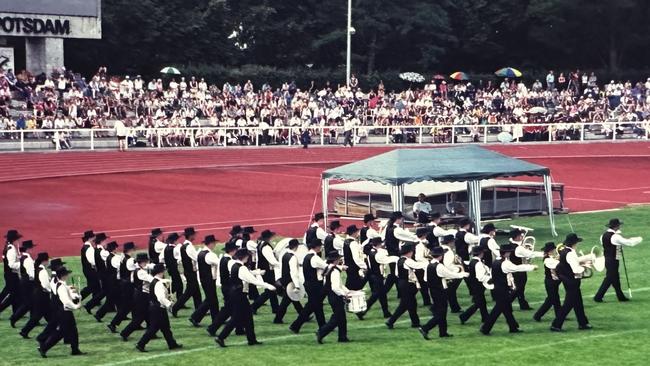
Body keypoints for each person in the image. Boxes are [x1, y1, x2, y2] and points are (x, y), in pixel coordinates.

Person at [215, 249, 276, 347]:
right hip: (240, 295)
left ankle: (251, 339)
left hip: (234, 294)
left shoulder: (234, 265)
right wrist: (268, 286)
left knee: (247, 317)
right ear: (244, 257)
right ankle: (221, 337)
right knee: (237, 318)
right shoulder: (242, 268)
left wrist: (257, 272)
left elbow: (247, 275)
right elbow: (253, 281)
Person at [480, 244, 537, 335]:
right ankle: (485, 328)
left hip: (497, 288)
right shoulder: (505, 263)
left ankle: (513, 326)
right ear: (506, 253)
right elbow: (517, 268)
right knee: (498, 310)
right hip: (502, 289)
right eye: (509, 252)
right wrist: (531, 267)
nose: (510, 253)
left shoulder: (496, 261)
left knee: (507, 309)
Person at [418, 246, 469, 339]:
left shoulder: (428, 265)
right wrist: (462, 274)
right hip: (440, 291)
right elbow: (451, 274)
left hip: (433, 291)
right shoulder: (439, 266)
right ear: (441, 256)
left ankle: (443, 332)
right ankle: (425, 328)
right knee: (441, 313)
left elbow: (425, 279)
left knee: (441, 312)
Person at [38, 266, 85, 358]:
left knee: (73, 330)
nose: (68, 275)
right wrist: (76, 306)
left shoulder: (59, 283)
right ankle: (44, 348)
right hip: (64, 312)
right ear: (63, 275)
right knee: (61, 332)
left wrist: (72, 292)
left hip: (63, 311)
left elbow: (66, 292)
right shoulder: (61, 287)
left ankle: (75, 349)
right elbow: (66, 301)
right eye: (67, 274)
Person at [135, 264, 183, 352]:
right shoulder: (159, 283)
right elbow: (161, 298)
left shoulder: (154, 281)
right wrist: (169, 304)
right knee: (154, 328)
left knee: (166, 328)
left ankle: (172, 343)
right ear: (161, 272)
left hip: (155, 307)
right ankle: (141, 343)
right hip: (158, 309)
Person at [551, 234, 593, 332]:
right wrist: (585, 267)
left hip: (568, 279)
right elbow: (575, 269)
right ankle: (556, 324)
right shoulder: (570, 253)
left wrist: (584, 262)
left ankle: (583, 323)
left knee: (578, 303)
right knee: (568, 305)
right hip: (571, 281)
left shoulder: (564, 251)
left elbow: (572, 263)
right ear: (574, 243)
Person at [594, 219, 642, 302]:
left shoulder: (603, 235)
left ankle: (620, 296)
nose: (619, 227)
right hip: (613, 260)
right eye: (618, 225)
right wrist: (639, 239)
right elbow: (629, 243)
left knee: (615, 278)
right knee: (609, 278)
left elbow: (608, 246)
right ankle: (598, 297)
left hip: (607, 259)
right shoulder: (615, 236)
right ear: (616, 226)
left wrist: (618, 247)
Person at [385, 243, 428, 329]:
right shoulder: (408, 261)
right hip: (408, 284)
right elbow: (418, 266)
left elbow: (397, 273)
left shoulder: (399, 260)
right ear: (409, 252)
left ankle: (415, 322)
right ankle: (391, 321)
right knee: (407, 304)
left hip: (401, 282)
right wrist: (428, 262)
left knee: (409, 303)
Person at [289, 239, 328, 333]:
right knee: (315, 306)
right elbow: (326, 267)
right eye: (320, 246)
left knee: (313, 306)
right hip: (315, 285)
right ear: (317, 247)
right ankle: (296, 325)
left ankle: (322, 326)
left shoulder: (307, 256)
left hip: (309, 284)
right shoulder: (315, 258)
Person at [357, 237, 398, 319]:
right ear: (379, 244)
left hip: (372, 275)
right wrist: (397, 258)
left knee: (382, 295)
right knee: (375, 295)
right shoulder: (377, 254)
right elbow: (386, 260)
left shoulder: (371, 252)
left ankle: (386, 312)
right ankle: (361, 311)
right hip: (376, 276)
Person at [316, 251, 351, 343]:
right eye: (338, 258)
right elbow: (335, 287)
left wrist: (347, 291)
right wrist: (344, 294)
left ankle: (342, 337)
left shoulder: (328, 268)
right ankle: (321, 332)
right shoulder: (334, 271)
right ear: (335, 260)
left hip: (331, 295)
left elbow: (333, 284)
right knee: (337, 318)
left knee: (341, 317)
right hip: (335, 296)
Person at [206, 241, 238, 336]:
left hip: (225, 287)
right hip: (230, 288)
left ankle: (238, 328)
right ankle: (213, 328)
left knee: (230, 309)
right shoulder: (230, 261)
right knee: (229, 309)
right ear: (233, 250)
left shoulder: (223, 259)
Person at [382, 212, 418, 295]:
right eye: (402, 219)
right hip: (395, 254)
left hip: (391, 253)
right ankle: (383, 292)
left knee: (395, 274)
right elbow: (409, 236)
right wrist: (417, 236)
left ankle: (399, 293)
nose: (402, 220)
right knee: (397, 275)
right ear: (398, 219)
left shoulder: (388, 227)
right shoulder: (397, 230)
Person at [119, 253, 154, 341]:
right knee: (139, 318)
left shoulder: (136, 271)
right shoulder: (141, 272)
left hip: (139, 294)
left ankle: (151, 333)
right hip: (142, 296)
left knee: (148, 315)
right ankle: (125, 332)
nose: (146, 263)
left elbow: (132, 280)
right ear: (142, 262)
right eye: (145, 261)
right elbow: (151, 280)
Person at [190, 235, 221, 327]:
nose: (215, 245)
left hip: (203, 279)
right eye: (214, 243)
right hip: (209, 280)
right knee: (210, 300)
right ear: (211, 243)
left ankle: (216, 319)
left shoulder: (200, 253)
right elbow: (219, 263)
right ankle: (195, 317)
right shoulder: (210, 255)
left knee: (212, 300)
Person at [509, 228, 544, 310]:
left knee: (520, 289)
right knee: (519, 288)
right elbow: (530, 254)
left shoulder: (510, 243)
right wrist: (543, 254)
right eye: (520, 235)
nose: (522, 237)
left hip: (513, 269)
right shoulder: (519, 248)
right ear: (517, 237)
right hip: (520, 269)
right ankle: (506, 303)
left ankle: (523, 305)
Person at [35, 258, 66, 345]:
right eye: (61, 266)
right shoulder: (55, 278)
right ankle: (42, 339)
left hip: (55, 302)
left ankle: (43, 337)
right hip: (57, 303)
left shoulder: (54, 277)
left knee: (55, 322)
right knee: (56, 323)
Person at [108, 242, 137, 332]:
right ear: (130, 250)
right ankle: (113, 323)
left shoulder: (122, 257)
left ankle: (136, 323)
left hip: (124, 283)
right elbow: (135, 268)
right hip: (128, 284)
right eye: (133, 249)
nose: (134, 251)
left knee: (130, 305)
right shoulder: (130, 260)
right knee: (127, 306)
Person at [459, 246, 492, 325]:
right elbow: (480, 277)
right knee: (479, 303)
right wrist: (489, 279)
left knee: (481, 302)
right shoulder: (478, 263)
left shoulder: (473, 261)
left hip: (474, 284)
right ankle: (464, 316)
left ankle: (485, 317)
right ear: (481, 253)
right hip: (478, 285)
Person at [273, 239, 305, 324]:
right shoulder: (292, 257)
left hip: (284, 280)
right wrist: (297, 285)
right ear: (296, 246)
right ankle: (278, 319)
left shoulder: (285, 255)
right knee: (286, 301)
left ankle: (303, 315)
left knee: (294, 299)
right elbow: (293, 272)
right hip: (290, 282)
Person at [19, 252, 50, 338]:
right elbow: (45, 285)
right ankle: (25, 331)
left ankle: (24, 331)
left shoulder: (37, 268)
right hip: (42, 295)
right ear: (44, 261)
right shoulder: (42, 271)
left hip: (37, 294)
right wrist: (52, 291)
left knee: (46, 315)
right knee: (38, 316)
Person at [172, 227, 202, 315]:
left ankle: (199, 309)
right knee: (189, 292)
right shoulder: (189, 247)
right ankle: (175, 307)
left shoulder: (183, 246)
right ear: (191, 236)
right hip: (191, 272)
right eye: (193, 235)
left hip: (187, 271)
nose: (194, 236)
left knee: (196, 291)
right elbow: (196, 258)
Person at [251, 230, 280, 314]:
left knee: (271, 290)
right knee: (269, 290)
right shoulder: (266, 246)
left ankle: (275, 308)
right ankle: (253, 307)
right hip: (267, 270)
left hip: (264, 269)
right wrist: (280, 264)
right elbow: (271, 260)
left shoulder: (260, 244)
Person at [533, 242, 561, 322]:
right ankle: (538, 315)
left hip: (554, 281)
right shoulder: (548, 260)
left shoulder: (551, 257)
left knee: (556, 299)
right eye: (553, 250)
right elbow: (557, 265)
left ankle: (559, 315)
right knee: (551, 300)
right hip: (550, 282)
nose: (555, 251)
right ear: (550, 251)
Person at [83, 232, 109, 314]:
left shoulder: (93, 248)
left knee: (102, 290)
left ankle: (92, 305)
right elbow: (93, 261)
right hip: (96, 271)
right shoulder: (91, 249)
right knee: (101, 290)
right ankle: (89, 305)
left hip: (96, 271)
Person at [94, 241, 120, 322]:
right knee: (111, 300)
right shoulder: (113, 258)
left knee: (116, 299)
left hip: (111, 280)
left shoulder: (109, 256)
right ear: (114, 248)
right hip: (114, 281)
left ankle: (120, 314)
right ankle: (99, 314)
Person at [0, 229, 22, 316]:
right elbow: (12, 264)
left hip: (9, 274)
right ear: (14, 239)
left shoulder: (8, 246)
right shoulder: (11, 249)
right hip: (11, 275)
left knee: (12, 293)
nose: (18, 240)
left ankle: (15, 311)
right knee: (13, 295)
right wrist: (21, 263)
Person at [342, 225, 367, 290]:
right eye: (357, 231)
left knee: (350, 283)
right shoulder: (353, 243)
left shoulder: (345, 241)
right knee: (354, 285)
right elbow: (356, 258)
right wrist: (364, 266)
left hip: (348, 265)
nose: (358, 233)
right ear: (353, 233)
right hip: (354, 267)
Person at [413, 228, 432, 306]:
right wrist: (428, 262)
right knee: (423, 285)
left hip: (420, 266)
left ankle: (427, 301)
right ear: (424, 235)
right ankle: (426, 301)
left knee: (424, 285)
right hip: (420, 267)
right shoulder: (419, 245)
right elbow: (419, 258)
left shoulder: (422, 243)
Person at [161, 233, 183, 298]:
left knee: (176, 284)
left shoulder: (167, 247)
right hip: (173, 269)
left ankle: (177, 299)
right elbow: (177, 259)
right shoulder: (174, 248)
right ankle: (166, 295)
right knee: (178, 285)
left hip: (170, 269)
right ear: (174, 240)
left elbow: (163, 258)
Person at [79, 230, 96, 300]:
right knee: (91, 286)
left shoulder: (85, 246)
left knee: (95, 285)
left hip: (87, 269)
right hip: (90, 270)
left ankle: (95, 300)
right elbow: (92, 261)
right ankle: (77, 299)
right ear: (90, 238)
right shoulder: (89, 248)